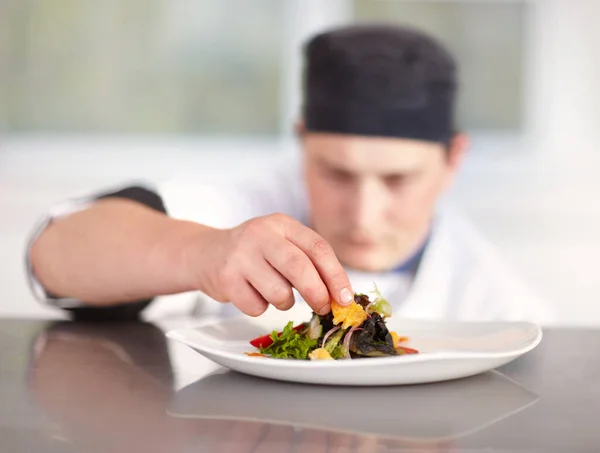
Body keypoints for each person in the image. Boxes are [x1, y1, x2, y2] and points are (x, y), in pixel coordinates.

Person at [25, 23, 554, 324]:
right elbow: (52, 255)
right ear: (302, 142)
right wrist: (199, 253)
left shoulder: (500, 304)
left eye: (397, 181)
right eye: (337, 174)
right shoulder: (245, 208)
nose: (364, 214)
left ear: (453, 160)